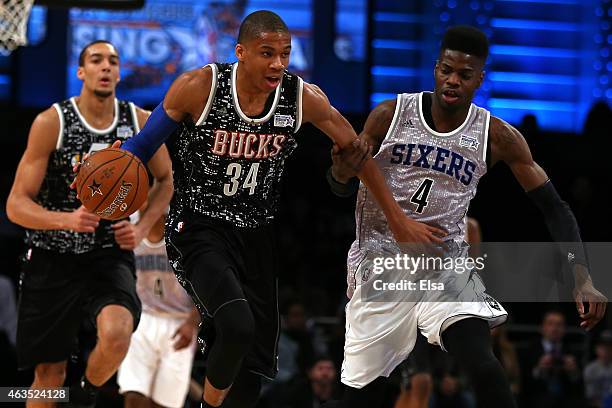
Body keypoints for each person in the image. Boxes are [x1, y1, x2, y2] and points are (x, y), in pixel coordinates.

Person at [116, 10, 437, 408]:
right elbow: (142, 147)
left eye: (285, 53)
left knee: (250, 376)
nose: (278, 63)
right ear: (241, 53)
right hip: (198, 228)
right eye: (267, 53)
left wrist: (398, 219)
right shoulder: (199, 86)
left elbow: (358, 155)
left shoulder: (300, 97)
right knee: (236, 325)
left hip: (257, 236)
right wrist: (111, 167)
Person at [325, 25, 606, 408]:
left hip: (444, 266)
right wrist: (341, 172)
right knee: (362, 397)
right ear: (436, 68)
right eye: (446, 70)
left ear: (480, 79)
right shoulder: (390, 115)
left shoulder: (497, 136)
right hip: (381, 264)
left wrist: (583, 275)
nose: (452, 80)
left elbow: (553, 206)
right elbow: (341, 184)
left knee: (484, 367)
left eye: (464, 74)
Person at [6, 40, 173, 407]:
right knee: (49, 377)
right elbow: (16, 205)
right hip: (52, 256)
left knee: (117, 335)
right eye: (96, 60)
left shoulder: (140, 123)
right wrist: (67, 219)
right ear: (81, 72)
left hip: (108, 254)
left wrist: (142, 228)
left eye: (113, 61)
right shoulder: (53, 122)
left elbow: (166, 180)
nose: (106, 67)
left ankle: (85, 395)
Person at [117, 205, 200, 408]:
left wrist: (192, 322)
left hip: (180, 322)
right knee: (133, 396)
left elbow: (207, 288)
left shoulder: (184, 237)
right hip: (142, 317)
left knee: (166, 403)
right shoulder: (128, 230)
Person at [521, 310, 584, 408]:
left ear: (564, 329)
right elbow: (524, 381)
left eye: (559, 325)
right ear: (542, 327)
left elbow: (578, 383)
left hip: (565, 398)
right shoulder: (530, 349)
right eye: (550, 324)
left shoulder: (571, 350)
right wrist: (539, 369)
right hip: (538, 397)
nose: (555, 328)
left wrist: (573, 371)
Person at [584, 330, 612, 408]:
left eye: (609, 346)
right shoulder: (590, 369)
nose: (606, 350)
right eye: (603, 346)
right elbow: (590, 397)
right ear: (596, 348)